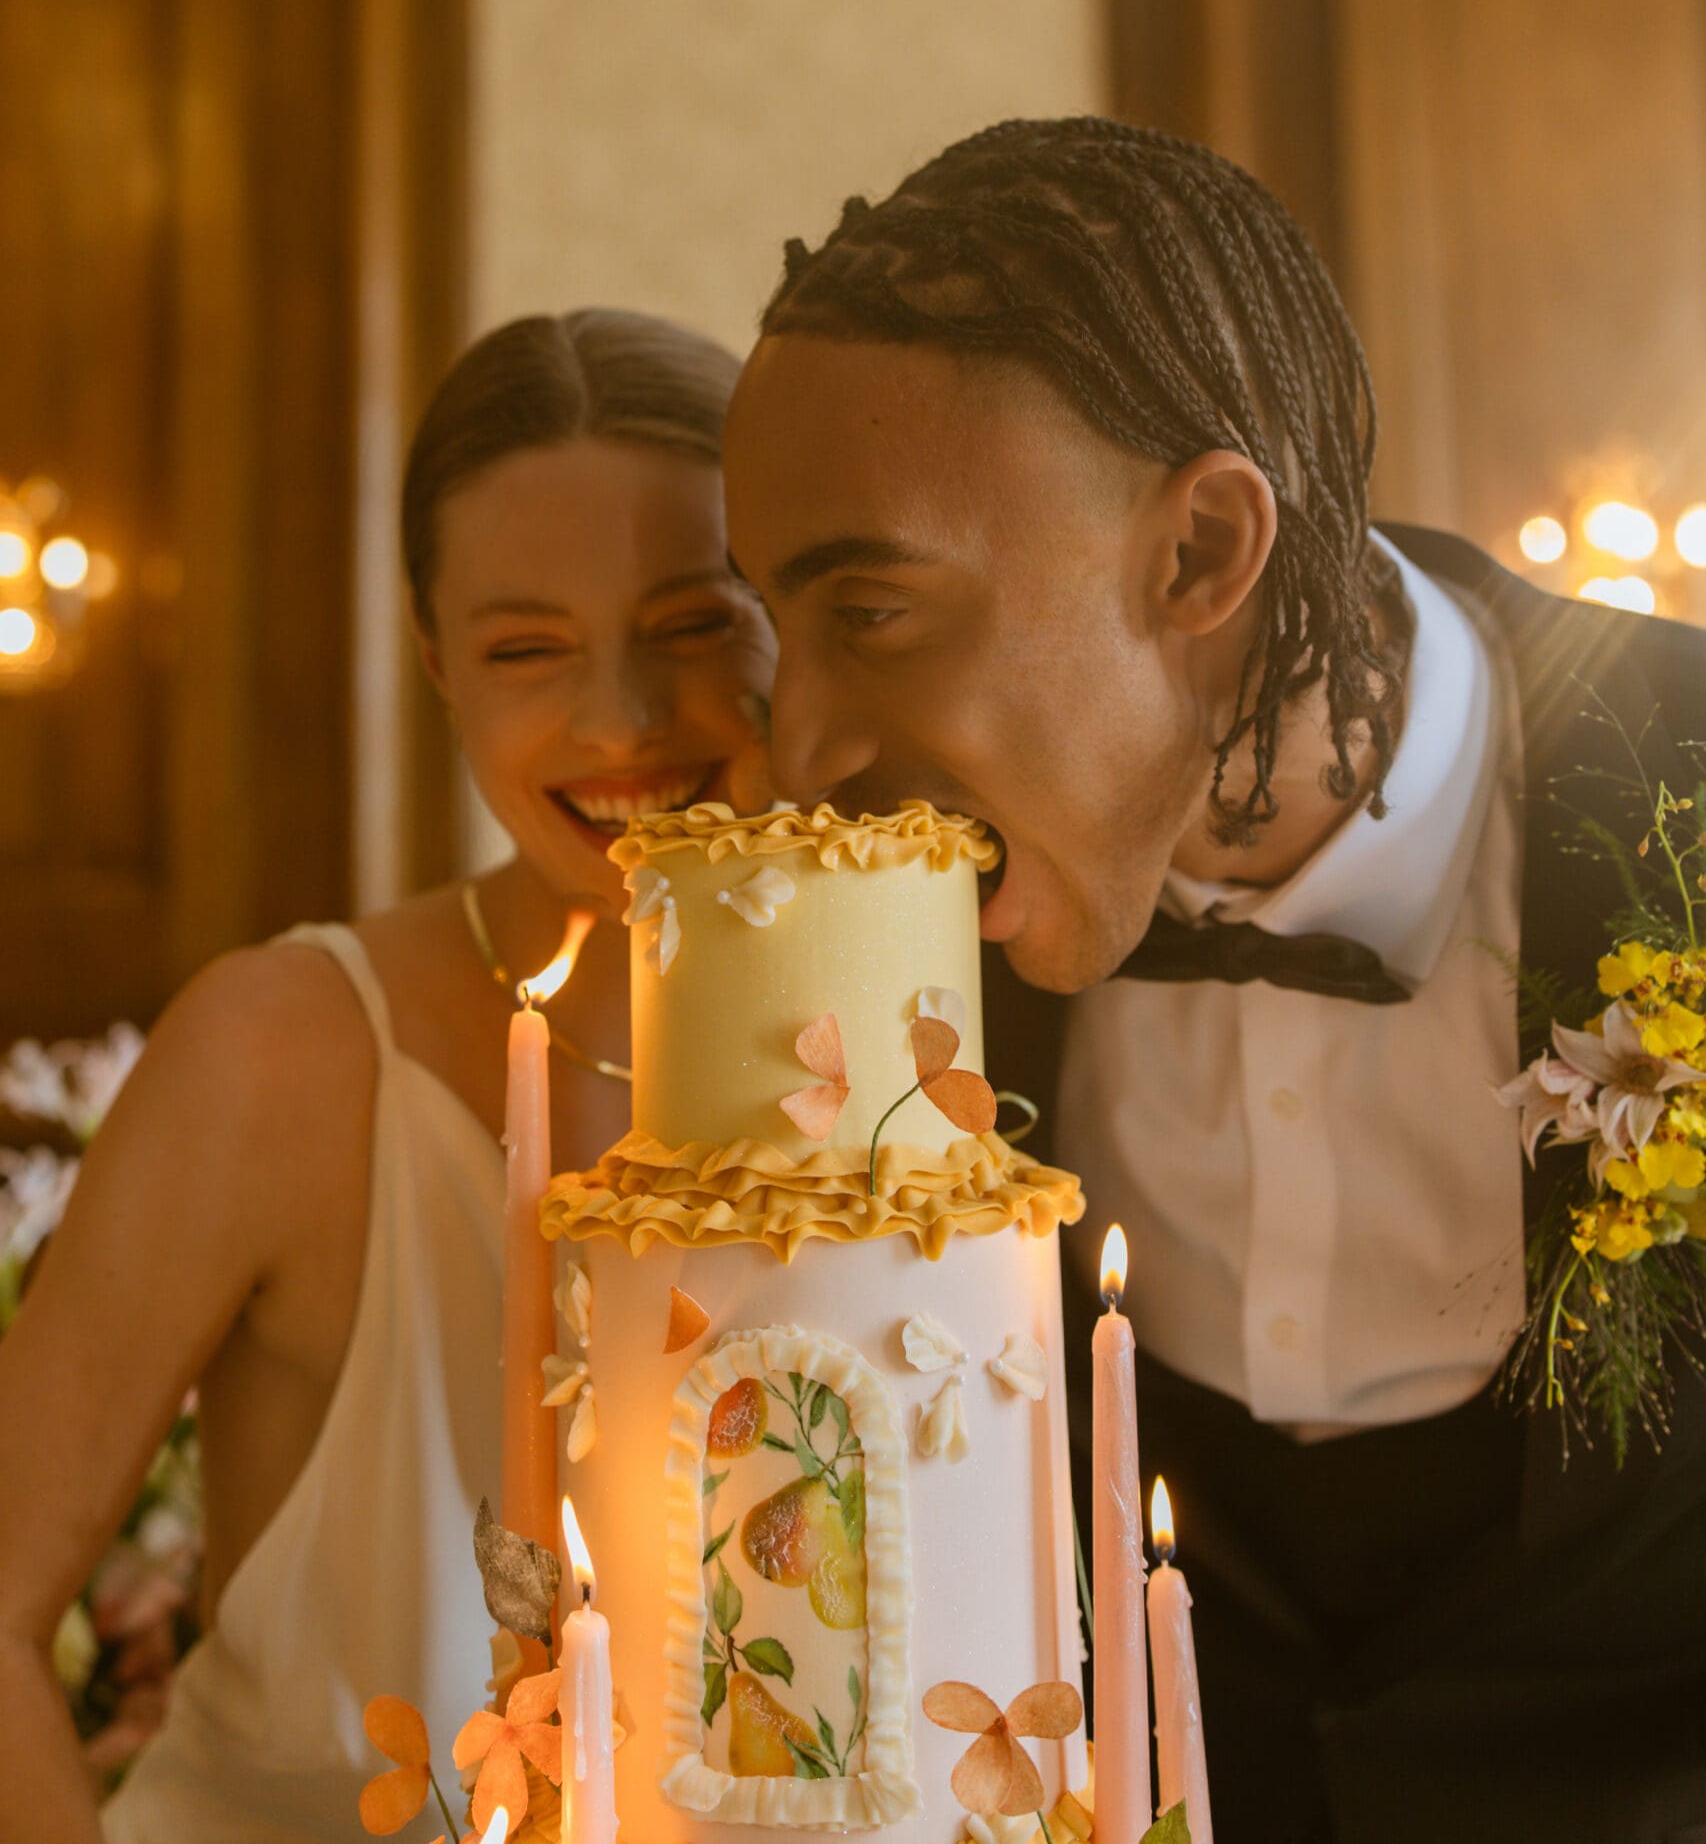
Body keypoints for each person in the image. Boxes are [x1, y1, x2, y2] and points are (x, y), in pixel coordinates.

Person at [721, 117, 1706, 1844]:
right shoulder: (876, 942)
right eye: (773, 633)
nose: (791, 749)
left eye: (869, 613)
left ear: (1197, 556)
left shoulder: (1683, 786)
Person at [0, 307, 773, 1843]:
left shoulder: (921, 1062)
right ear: (434, 658)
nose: (618, 717)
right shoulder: (279, 1049)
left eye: (690, 624)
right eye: (524, 648)